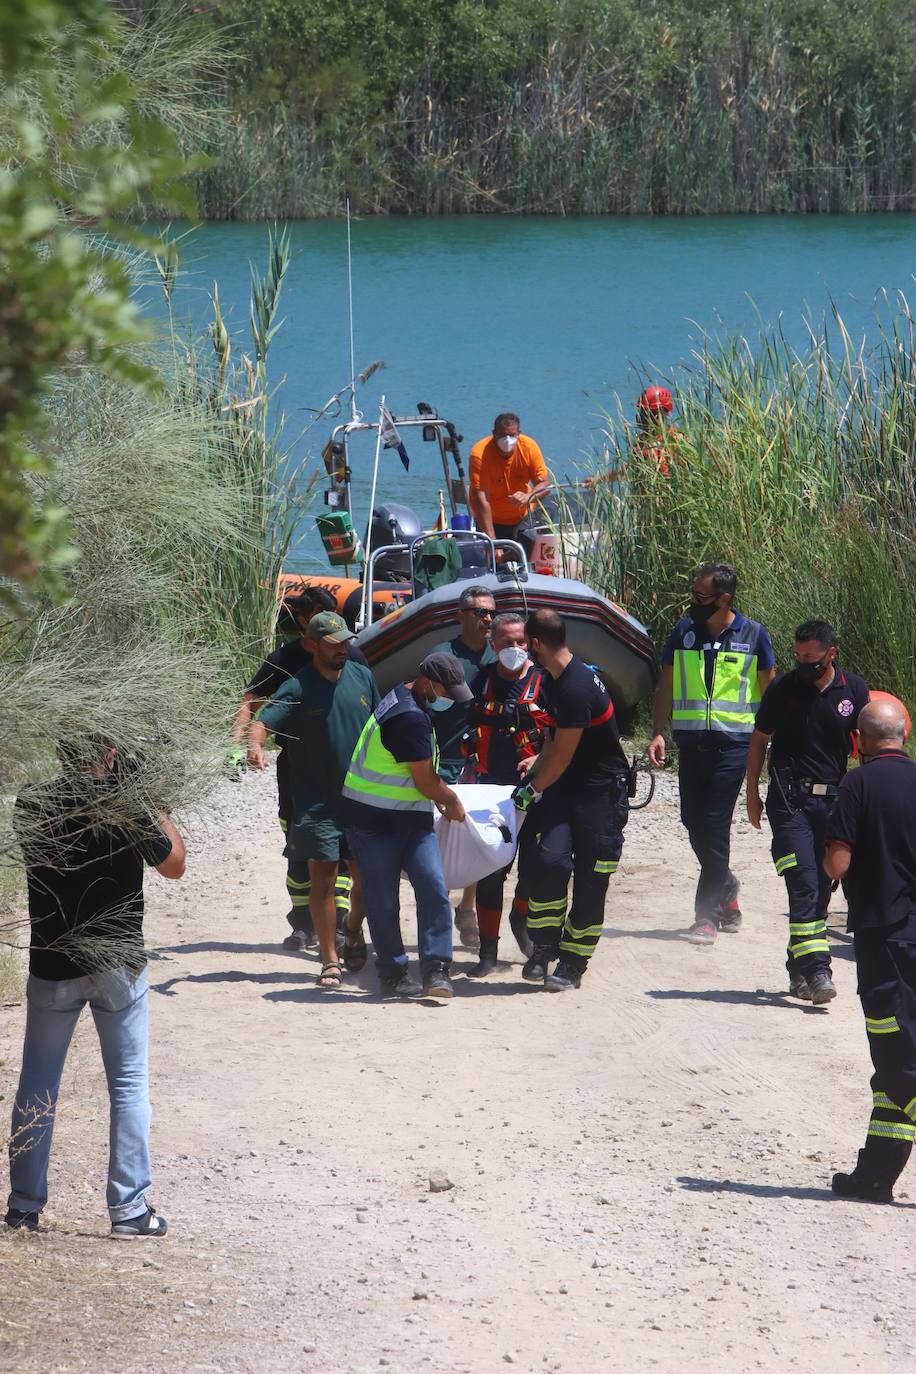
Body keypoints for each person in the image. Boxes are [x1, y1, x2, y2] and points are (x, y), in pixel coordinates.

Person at [5, 738, 186, 1237]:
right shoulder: (128, 807)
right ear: (110, 754)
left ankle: (23, 1208)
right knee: (128, 1085)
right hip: (117, 964)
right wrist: (154, 801)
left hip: (53, 959)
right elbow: (174, 864)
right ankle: (129, 1212)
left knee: (37, 1084)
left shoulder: (33, 802)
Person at [232, 588, 370, 951]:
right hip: (299, 776)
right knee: (301, 856)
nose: (342, 647)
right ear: (309, 628)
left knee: (344, 861)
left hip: (352, 784)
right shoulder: (286, 663)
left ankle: (340, 925)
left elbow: (372, 717)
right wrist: (246, 744)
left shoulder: (356, 663)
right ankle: (303, 924)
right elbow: (254, 704)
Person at [648, 563, 775, 945]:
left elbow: (770, 694)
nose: (693, 601)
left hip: (734, 746)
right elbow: (665, 686)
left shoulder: (754, 635)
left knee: (715, 826)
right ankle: (728, 887)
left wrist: (769, 741)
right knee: (692, 821)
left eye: (700, 596)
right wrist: (657, 732)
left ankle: (706, 917)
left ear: (724, 598)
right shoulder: (683, 632)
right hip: (691, 746)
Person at [746, 620, 868, 1004]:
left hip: (833, 803)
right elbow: (760, 739)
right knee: (802, 882)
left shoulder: (854, 690)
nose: (802, 664)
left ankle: (797, 967)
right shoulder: (783, 689)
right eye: (798, 657)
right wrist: (751, 792)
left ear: (830, 654)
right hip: (789, 801)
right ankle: (818, 971)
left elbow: (864, 747)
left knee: (820, 892)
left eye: (810, 658)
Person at [824, 700, 916, 1204]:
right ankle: (875, 1176)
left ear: (857, 741)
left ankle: (876, 1175)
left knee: (898, 1060)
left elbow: (837, 864)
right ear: (905, 734)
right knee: (894, 1065)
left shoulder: (856, 786)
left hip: (885, 942)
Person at [511, 609, 630, 992]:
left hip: (598, 795)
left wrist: (531, 790)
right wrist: (536, 764)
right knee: (548, 862)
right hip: (566, 789)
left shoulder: (576, 687)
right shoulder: (557, 679)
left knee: (592, 881)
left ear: (536, 643)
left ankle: (573, 963)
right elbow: (554, 744)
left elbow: (563, 756)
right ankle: (543, 948)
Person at [342, 653, 469, 1001]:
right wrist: (452, 801)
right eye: (446, 692)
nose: (450, 701)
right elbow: (426, 782)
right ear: (427, 682)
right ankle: (394, 973)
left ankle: (436, 970)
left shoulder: (403, 695)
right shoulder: (409, 716)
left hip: (408, 818)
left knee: (433, 887)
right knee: (383, 899)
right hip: (373, 821)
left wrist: (436, 794)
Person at [463, 612, 551, 976]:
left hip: (534, 790)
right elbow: (467, 730)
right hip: (489, 792)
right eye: (507, 642)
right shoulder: (481, 680)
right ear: (492, 643)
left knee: (537, 865)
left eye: (521, 642)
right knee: (490, 872)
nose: (514, 648)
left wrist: (537, 756)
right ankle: (487, 954)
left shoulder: (545, 682)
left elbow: (563, 735)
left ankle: (521, 914)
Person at [430, 584, 498, 950]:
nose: (488, 618)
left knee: (477, 835)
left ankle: (467, 909)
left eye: (491, 612)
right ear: (462, 615)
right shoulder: (443, 656)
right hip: (444, 760)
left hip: (482, 763)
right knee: (438, 841)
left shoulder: (499, 656)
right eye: (480, 612)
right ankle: (439, 910)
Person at [468, 412, 551, 544]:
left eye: (512, 435)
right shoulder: (480, 453)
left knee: (527, 558)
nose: (507, 440)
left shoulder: (529, 447)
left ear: (518, 434)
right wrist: (492, 540)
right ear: (494, 434)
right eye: (502, 435)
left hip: (523, 519)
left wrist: (527, 497)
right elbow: (481, 498)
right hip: (491, 520)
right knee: (494, 560)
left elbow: (545, 483)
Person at [584, 387, 686, 486]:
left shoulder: (676, 440)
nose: (643, 418)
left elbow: (688, 476)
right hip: (645, 502)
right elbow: (625, 472)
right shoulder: (641, 441)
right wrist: (597, 479)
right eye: (642, 412)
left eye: (649, 413)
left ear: (663, 413)